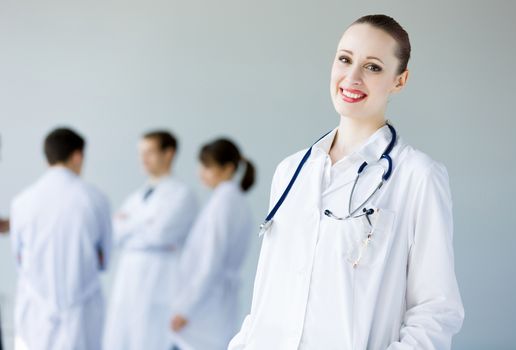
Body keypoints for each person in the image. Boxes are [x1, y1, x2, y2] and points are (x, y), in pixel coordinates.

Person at [229, 14, 464, 350]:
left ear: (400, 80)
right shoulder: (291, 171)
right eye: (345, 59)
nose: (351, 77)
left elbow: (437, 309)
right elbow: (268, 294)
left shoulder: (417, 176)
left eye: (373, 67)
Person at [10, 127, 112, 350]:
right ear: (78, 156)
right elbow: (104, 257)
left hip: (35, 309)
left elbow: (18, 257)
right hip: (82, 309)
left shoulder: (22, 201)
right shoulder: (95, 198)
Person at [104, 130, 198, 350]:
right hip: (129, 278)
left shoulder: (182, 194)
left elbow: (160, 234)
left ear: (169, 153)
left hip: (160, 279)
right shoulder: (136, 196)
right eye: (140, 153)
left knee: (151, 340)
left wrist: (129, 224)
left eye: (149, 152)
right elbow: (114, 233)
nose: (143, 159)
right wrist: (143, 224)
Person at [170, 138, 255, 350]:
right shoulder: (233, 200)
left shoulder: (224, 203)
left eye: (208, 167)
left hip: (206, 306)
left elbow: (210, 263)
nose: (201, 172)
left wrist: (185, 309)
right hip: (216, 302)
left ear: (228, 169)